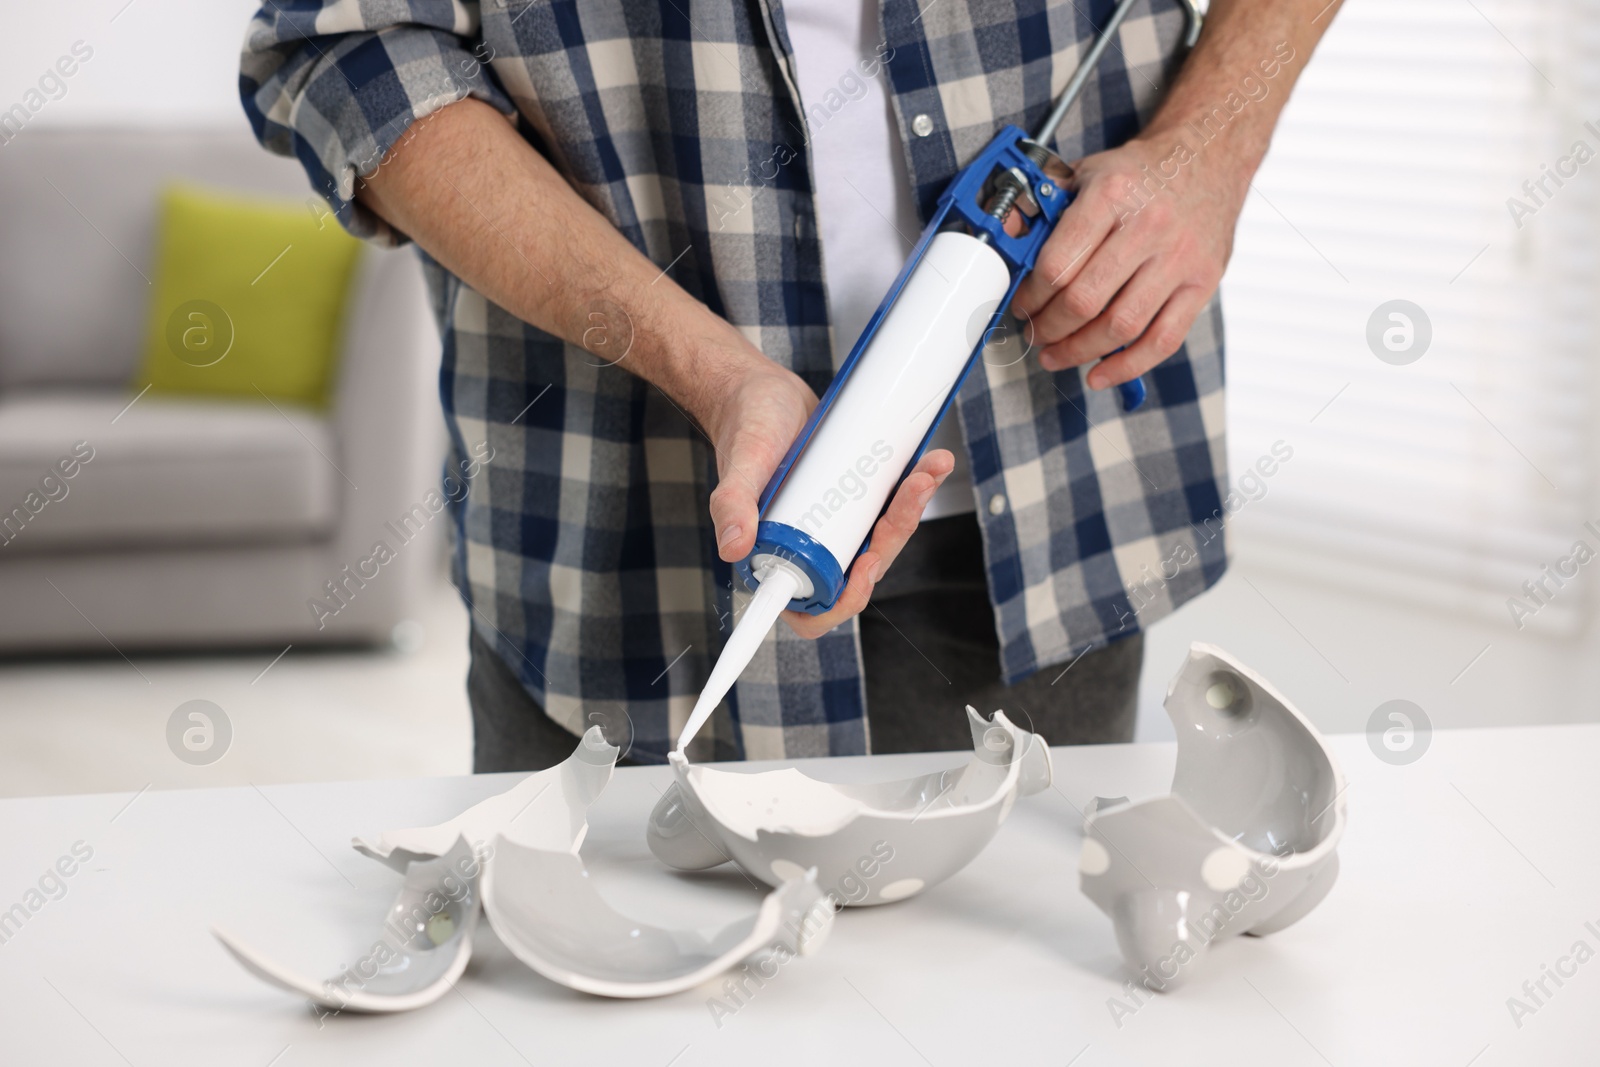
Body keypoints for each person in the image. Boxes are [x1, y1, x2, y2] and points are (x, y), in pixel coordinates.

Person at [242, 0, 1337, 770]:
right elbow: (344, 48)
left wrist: (1211, 148)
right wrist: (708, 368)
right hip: (611, 547)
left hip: (1051, 509)